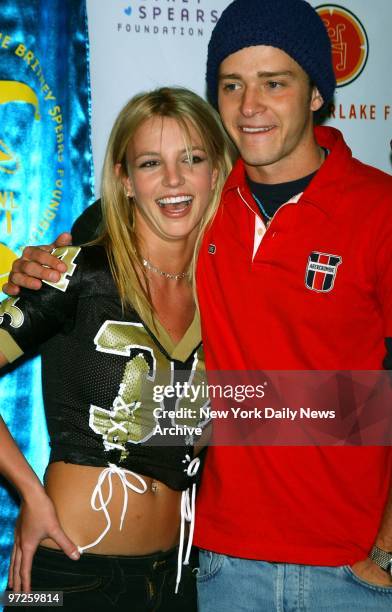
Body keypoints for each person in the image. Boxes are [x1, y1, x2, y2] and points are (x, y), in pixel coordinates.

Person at [4, 1, 392, 610]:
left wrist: (386, 547)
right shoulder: (124, 248)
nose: (251, 105)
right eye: (232, 85)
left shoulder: (361, 213)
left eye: (275, 82)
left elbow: (188, 414)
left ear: (316, 93)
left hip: (243, 575)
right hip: (131, 571)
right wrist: (35, 494)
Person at [0, 86, 232, 611]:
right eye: (151, 163)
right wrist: (29, 496)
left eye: (191, 159)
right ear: (125, 180)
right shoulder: (75, 271)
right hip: (67, 573)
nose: (173, 180)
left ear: (216, 172)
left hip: (177, 580)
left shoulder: (227, 294)